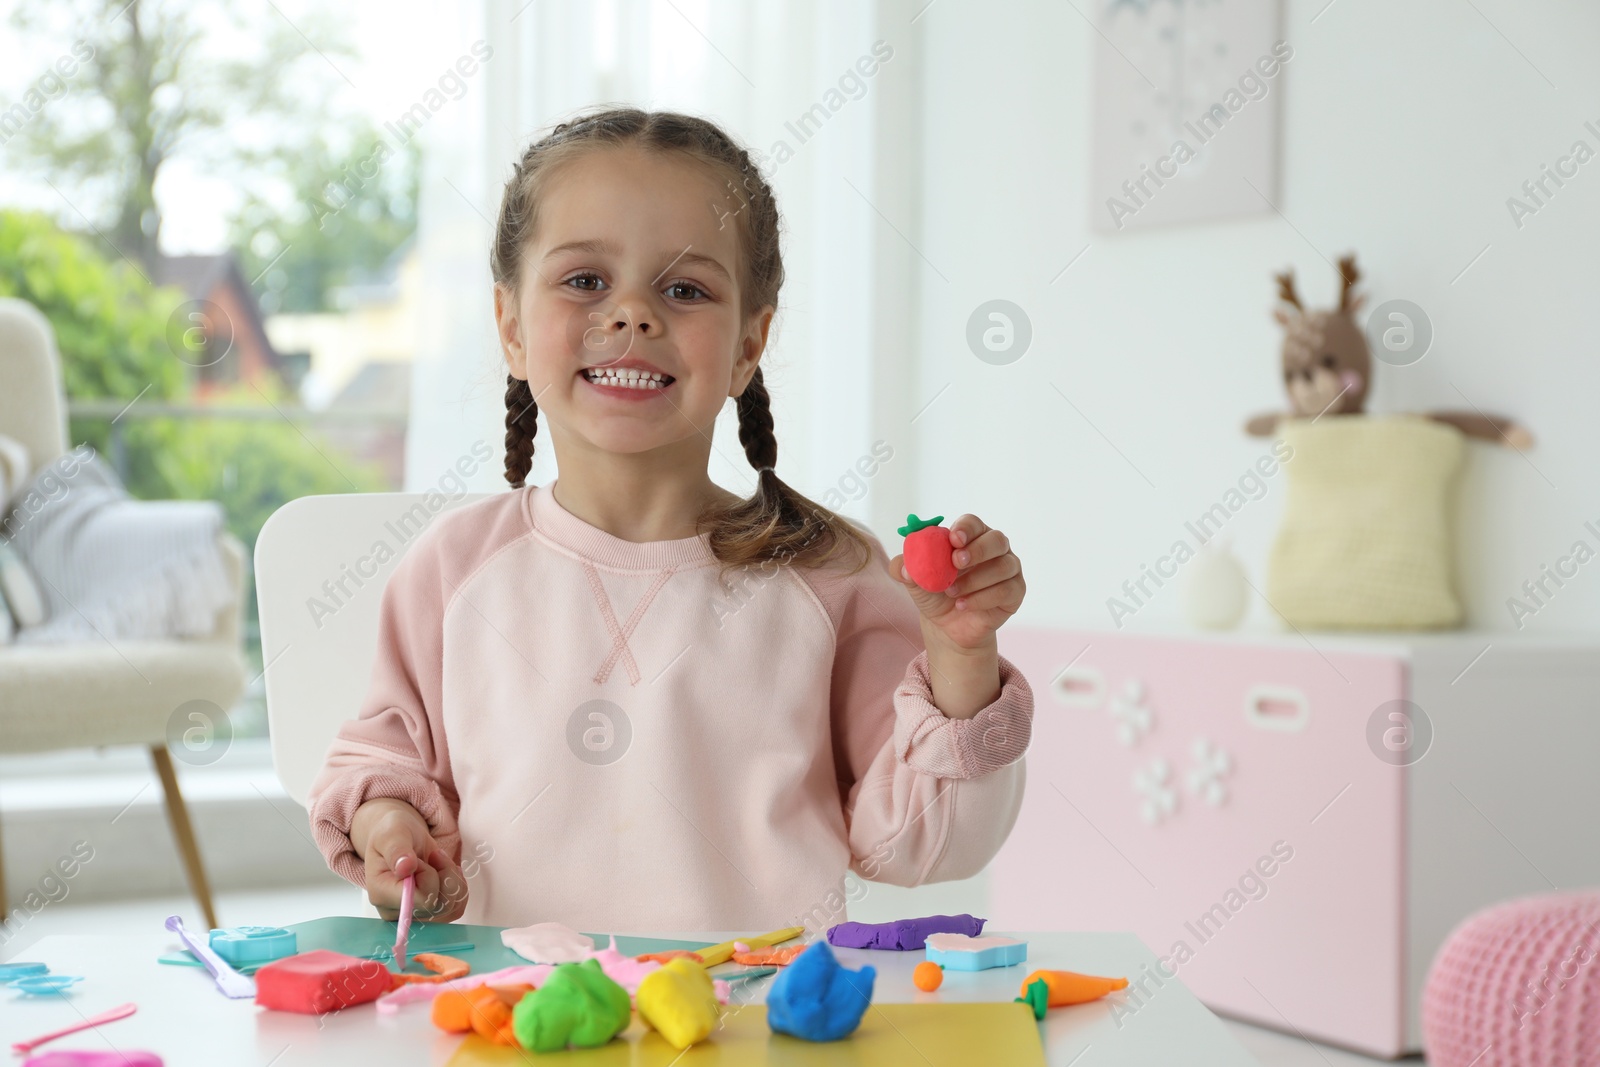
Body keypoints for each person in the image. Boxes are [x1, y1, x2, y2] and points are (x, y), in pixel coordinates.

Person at [307, 107, 1033, 934]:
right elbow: (386, 759)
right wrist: (388, 826)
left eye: (684, 289)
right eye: (585, 280)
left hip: (762, 1031)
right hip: (516, 1030)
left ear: (747, 346)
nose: (632, 315)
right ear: (511, 325)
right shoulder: (453, 568)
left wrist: (962, 658)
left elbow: (924, 847)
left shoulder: (829, 572)